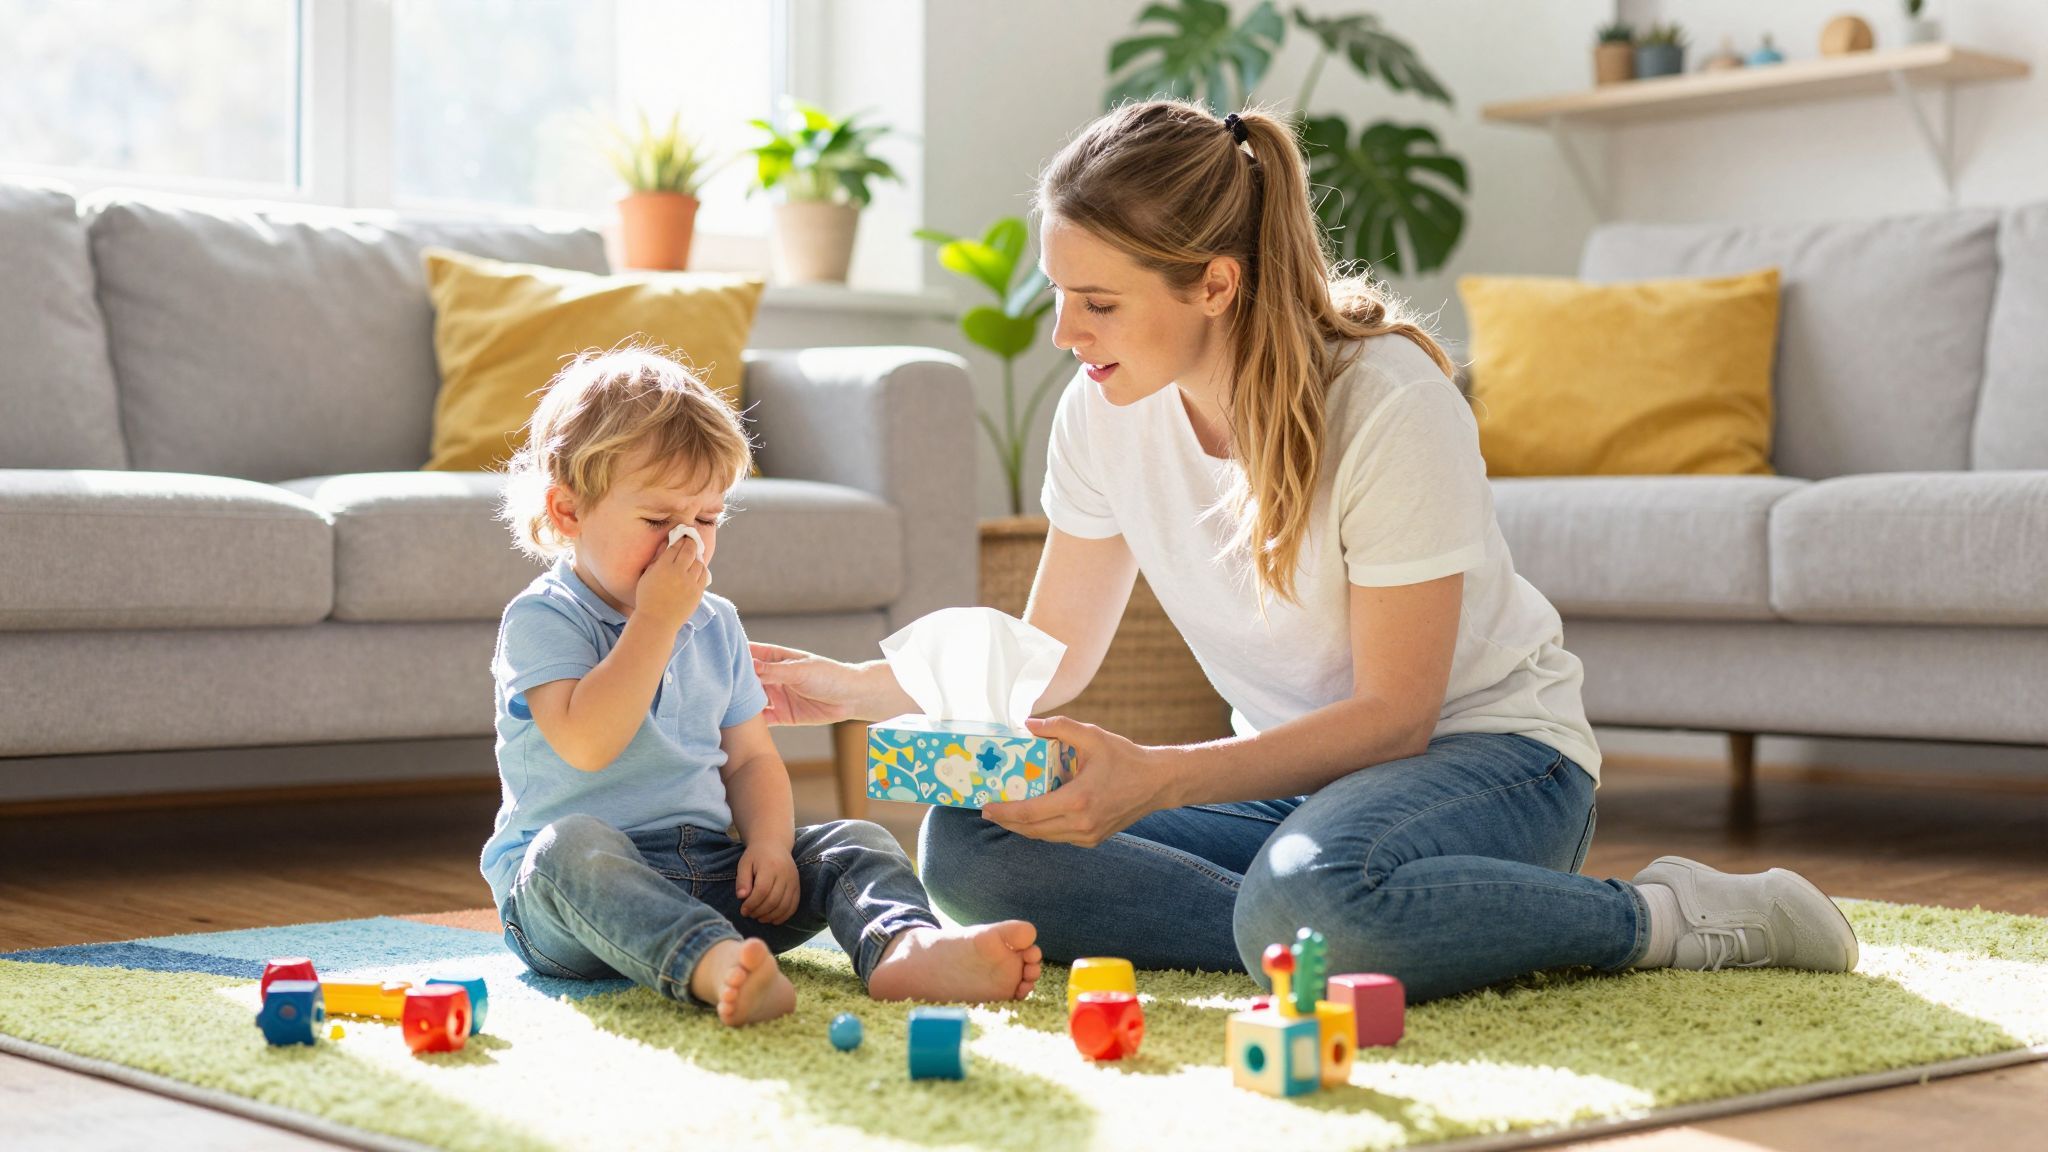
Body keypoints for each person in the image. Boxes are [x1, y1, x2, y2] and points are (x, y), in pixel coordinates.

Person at [751, 102, 1858, 1002]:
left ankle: (1661, 918)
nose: (1064, 334)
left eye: (1097, 302)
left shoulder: (1387, 403)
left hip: (1494, 767)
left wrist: (1158, 779)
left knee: (1306, 899)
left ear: (1214, 284)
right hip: (1293, 793)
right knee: (973, 845)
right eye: (1059, 295)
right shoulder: (1102, 408)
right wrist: (854, 688)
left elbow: (1396, 717)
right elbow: (1052, 650)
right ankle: (1329, 927)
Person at [482, 347, 1041, 1026]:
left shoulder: (714, 621)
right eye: (657, 522)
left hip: (711, 871)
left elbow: (750, 759)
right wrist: (656, 621)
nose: (685, 545)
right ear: (568, 511)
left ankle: (903, 946)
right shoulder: (545, 618)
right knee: (565, 848)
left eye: (706, 519)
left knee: (853, 839)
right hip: (573, 904)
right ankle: (709, 963)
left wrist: (770, 846)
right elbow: (589, 744)